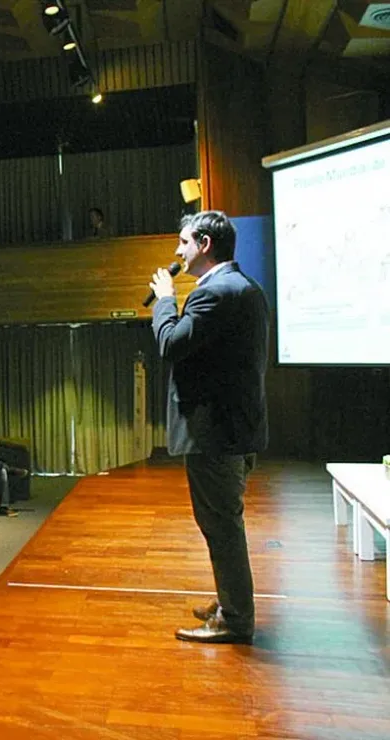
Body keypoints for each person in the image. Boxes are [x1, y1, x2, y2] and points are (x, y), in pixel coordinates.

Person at [148, 210, 268, 645]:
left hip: (215, 433)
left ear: (204, 244)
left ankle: (235, 619)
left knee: (221, 526)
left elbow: (171, 344)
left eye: (184, 242)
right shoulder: (244, 287)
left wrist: (165, 299)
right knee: (223, 523)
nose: (177, 251)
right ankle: (230, 602)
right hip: (234, 429)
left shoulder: (215, 293)